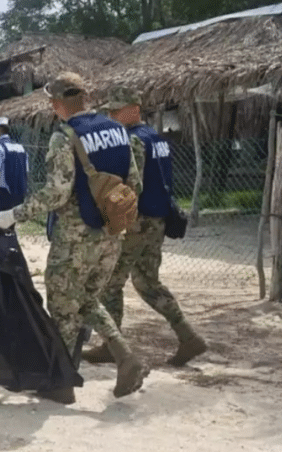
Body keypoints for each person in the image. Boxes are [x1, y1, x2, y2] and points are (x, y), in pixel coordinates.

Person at [0, 72, 149, 403]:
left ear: (57, 104)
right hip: (111, 230)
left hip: (76, 236)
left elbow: (58, 193)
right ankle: (97, 366)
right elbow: (135, 183)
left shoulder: (65, 136)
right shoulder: (118, 132)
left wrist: (12, 215)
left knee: (63, 304)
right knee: (83, 299)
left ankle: (68, 379)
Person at [82, 86, 207, 366]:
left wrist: (112, 218)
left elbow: (131, 186)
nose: (113, 115)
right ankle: (188, 336)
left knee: (110, 283)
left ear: (134, 108)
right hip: (158, 220)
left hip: (137, 223)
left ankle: (110, 347)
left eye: (117, 110)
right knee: (147, 282)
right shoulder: (156, 138)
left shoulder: (134, 141)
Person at [0, 116, 29, 217]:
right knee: (9, 226)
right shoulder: (20, 148)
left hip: (2, 195)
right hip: (19, 194)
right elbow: (26, 173)